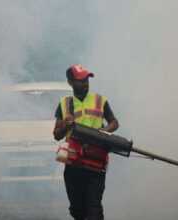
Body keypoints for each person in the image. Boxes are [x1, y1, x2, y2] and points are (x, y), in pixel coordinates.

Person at [53, 64, 119, 220]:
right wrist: (65, 126)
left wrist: (106, 130)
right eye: (80, 81)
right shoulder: (64, 103)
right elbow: (56, 134)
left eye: (86, 80)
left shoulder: (100, 100)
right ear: (70, 82)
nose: (85, 84)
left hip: (96, 163)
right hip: (73, 164)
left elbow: (114, 122)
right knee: (77, 210)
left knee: (94, 208)